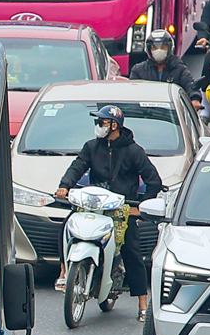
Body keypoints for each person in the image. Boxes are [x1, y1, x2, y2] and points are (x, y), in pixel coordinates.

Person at [54, 104, 164, 318]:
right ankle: (63, 272)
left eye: (102, 122)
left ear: (115, 125)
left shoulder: (134, 151)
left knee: (131, 250)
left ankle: (142, 304)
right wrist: (65, 186)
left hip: (121, 211)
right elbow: (77, 167)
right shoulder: (91, 147)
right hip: (94, 206)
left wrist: (139, 208)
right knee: (67, 227)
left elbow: (154, 181)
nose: (98, 126)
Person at [128, 30, 197, 114]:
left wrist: (195, 99)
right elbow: (131, 93)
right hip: (146, 113)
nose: (159, 50)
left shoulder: (179, 68)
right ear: (149, 50)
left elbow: (190, 85)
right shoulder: (138, 70)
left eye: (163, 47)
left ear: (169, 48)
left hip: (172, 113)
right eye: (155, 48)